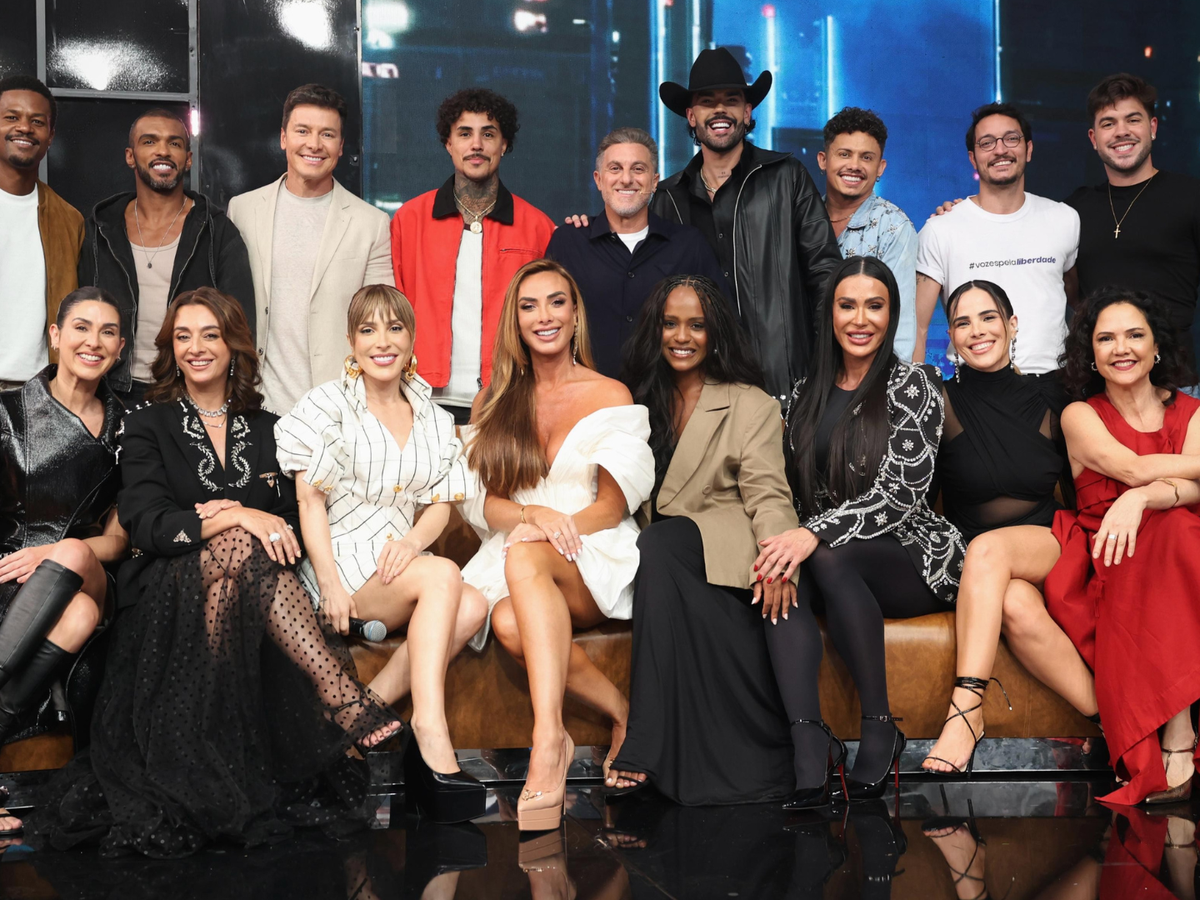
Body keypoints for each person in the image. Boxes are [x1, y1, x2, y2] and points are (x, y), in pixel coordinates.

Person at [32, 287, 402, 857]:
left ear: (233, 345)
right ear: (171, 349)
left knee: (239, 552)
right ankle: (341, 696)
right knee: (234, 538)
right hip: (161, 594)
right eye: (183, 337)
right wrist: (233, 516)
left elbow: (289, 526)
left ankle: (219, 752)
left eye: (210, 335)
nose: (196, 348)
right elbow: (147, 524)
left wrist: (241, 522)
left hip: (252, 595)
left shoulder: (273, 427)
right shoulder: (147, 423)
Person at [752, 255, 965, 808]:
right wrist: (788, 540)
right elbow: (784, 484)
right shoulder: (805, 391)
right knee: (780, 569)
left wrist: (813, 534)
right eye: (848, 305)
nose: (860, 319)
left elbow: (901, 493)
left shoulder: (916, 384)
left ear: (892, 315)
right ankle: (810, 746)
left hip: (914, 554)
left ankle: (880, 728)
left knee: (823, 555)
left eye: (875, 306)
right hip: (832, 556)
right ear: (830, 313)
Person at [274, 284, 487, 823]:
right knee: (443, 575)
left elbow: (441, 504)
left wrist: (413, 542)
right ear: (352, 341)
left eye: (395, 328)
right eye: (368, 330)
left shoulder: (433, 416)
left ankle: (350, 719)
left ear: (412, 338)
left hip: (398, 561)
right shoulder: (327, 404)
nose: (382, 342)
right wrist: (330, 584)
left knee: (473, 605)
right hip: (339, 565)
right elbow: (309, 500)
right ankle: (431, 733)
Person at [459, 259, 653, 830]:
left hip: (592, 547)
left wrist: (550, 528)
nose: (544, 316)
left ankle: (549, 740)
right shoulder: (494, 399)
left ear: (575, 314)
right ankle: (621, 711)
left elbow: (612, 506)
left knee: (523, 555)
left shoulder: (609, 392)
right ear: (515, 321)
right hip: (519, 546)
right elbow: (482, 504)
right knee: (507, 622)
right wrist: (532, 514)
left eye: (556, 302)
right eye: (529, 306)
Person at [603, 274, 796, 804]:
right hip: (660, 563)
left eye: (697, 325)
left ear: (717, 333)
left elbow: (769, 494)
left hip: (722, 551)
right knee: (655, 547)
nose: (682, 336)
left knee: (659, 544)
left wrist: (779, 560)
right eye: (670, 324)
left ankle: (642, 742)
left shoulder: (750, 404)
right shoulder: (636, 401)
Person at [920, 280, 1097, 776]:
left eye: (988, 317)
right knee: (1014, 602)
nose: (976, 331)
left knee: (990, 550)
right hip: (978, 561)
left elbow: (1085, 485)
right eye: (962, 322)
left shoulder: (1052, 394)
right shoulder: (939, 400)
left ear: (1012, 325)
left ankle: (966, 711)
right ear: (952, 337)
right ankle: (1109, 717)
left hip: (1050, 541)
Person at [1044, 287, 1200, 806]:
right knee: (1173, 530)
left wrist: (1145, 498)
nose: (1122, 348)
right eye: (1106, 338)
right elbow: (1132, 469)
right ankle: (1177, 732)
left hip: (1181, 557)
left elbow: (1174, 490)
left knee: (1174, 529)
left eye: (1135, 335)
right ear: (1090, 353)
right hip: (1110, 558)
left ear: (1156, 346)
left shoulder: (1192, 412)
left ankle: (1178, 725)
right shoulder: (1078, 415)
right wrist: (1151, 488)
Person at [0, 287, 129, 838]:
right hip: (14, 576)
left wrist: (56, 552)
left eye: (107, 332)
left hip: (93, 572)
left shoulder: (128, 426)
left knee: (75, 551)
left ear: (119, 349)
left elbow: (118, 542)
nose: (92, 341)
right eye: (80, 327)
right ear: (55, 336)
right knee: (75, 615)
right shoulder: (7, 412)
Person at [651, 47, 843, 402]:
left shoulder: (787, 177)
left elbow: (825, 276)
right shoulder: (667, 197)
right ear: (691, 116)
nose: (720, 110)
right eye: (707, 102)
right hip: (699, 389)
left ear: (747, 111)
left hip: (785, 384)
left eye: (731, 100)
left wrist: (822, 374)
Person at [390, 89, 555, 423]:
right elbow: (392, 311)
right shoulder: (410, 220)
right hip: (422, 401)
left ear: (504, 145)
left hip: (508, 401)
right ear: (448, 144)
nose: (476, 145)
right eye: (465, 134)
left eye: (488, 134)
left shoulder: (538, 227)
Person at [228, 84, 394, 416]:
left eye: (327, 134)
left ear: (341, 146)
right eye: (302, 131)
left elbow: (380, 324)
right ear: (283, 138)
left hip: (338, 407)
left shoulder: (371, 223)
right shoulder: (242, 210)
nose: (314, 144)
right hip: (256, 403)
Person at [81, 108, 254, 405]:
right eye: (149, 141)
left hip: (190, 392)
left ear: (188, 159)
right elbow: (77, 314)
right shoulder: (100, 228)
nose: (163, 150)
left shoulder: (217, 231)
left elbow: (240, 326)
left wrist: (231, 398)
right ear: (130, 156)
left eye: (174, 143)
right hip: (110, 392)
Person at [544, 128, 728, 377]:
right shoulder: (569, 242)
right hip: (586, 395)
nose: (626, 179)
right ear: (599, 180)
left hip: (668, 396)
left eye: (638, 169)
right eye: (615, 168)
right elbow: (545, 321)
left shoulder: (688, 245)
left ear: (654, 181)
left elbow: (723, 325)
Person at [915, 103, 1079, 372]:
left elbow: (1075, 298)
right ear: (973, 158)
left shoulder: (1064, 218)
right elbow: (917, 328)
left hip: (1054, 382)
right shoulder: (941, 229)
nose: (1000, 149)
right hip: (974, 385)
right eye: (987, 142)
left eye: (1011, 138)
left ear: (1029, 149)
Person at [1065, 73, 1200, 371]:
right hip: (1097, 383)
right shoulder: (1074, 209)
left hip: (1175, 381)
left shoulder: (1192, 197)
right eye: (1108, 123)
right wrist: (963, 210)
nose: (1121, 131)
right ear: (1094, 139)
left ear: (1153, 127)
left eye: (1133, 119)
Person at [0, 75, 84, 390]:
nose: (24, 128)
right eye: (11, 117)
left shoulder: (69, 220)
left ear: (50, 136)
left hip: (40, 392)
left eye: (37, 121)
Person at [818, 107, 919, 362]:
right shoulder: (800, 218)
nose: (854, 166)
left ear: (880, 167)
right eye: (844, 154)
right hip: (805, 373)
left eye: (866, 157)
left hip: (869, 377)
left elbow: (900, 326)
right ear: (823, 160)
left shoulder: (893, 227)